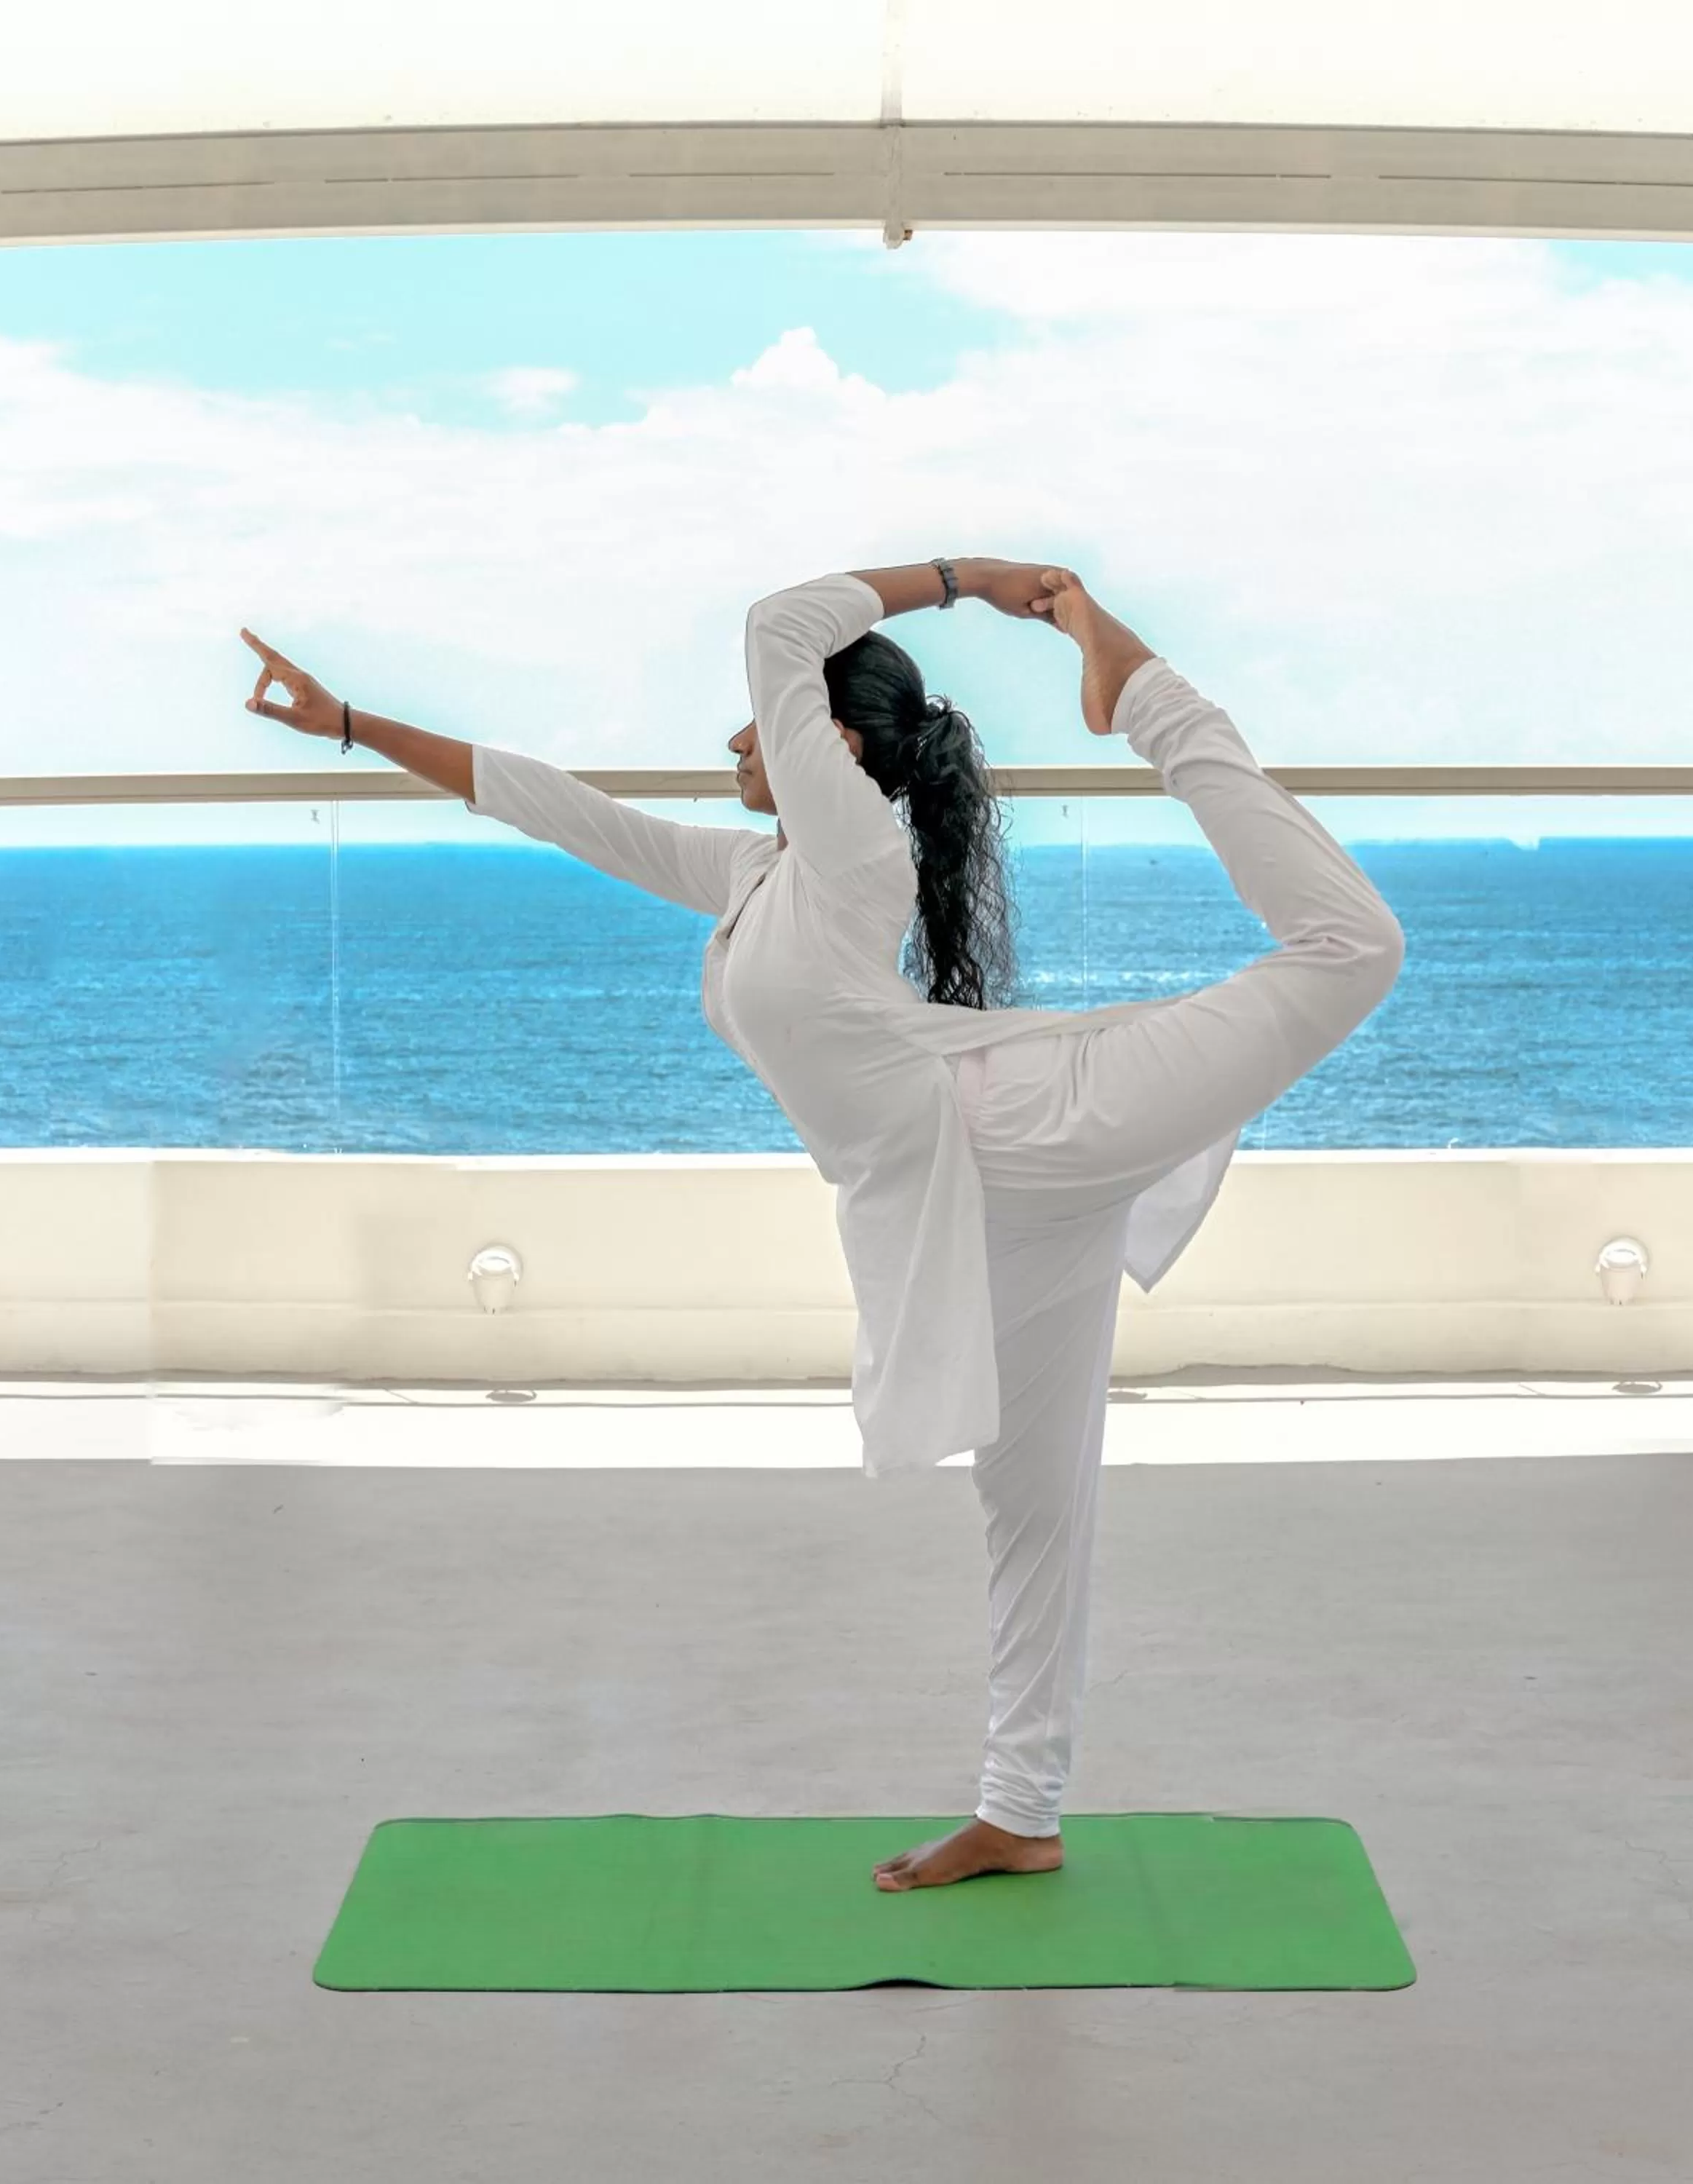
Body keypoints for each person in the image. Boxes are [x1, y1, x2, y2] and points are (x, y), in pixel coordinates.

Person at [239, 558, 1404, 1892]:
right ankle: (1021, 1812)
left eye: (765, 723)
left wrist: (983, 582)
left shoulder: (856, 847)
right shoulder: (754, 872)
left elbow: (778, 623)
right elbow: (560, 810)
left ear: (835, 746)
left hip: (1039, 1125)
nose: (740, 735)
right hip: (963, 1202)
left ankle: (1139, 692)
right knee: (1029, 1505)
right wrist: (349, 726)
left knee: (1352, 947)